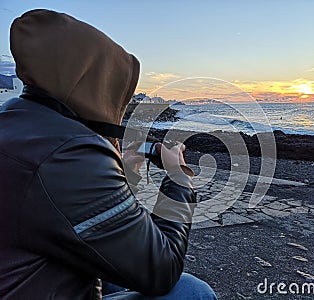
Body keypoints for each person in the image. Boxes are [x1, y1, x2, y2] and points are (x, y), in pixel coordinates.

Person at [0, 9, 216, 300]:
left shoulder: (14, 119)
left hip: (28, 274)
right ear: (93, 80)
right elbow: (162, 267)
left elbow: (55, 208)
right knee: (192, 292)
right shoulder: (71, 152)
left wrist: (120, 172)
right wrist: (178, 176)